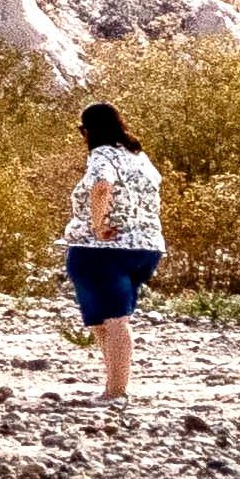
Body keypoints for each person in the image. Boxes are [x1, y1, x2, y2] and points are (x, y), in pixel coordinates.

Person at [61, 100, 167, 403]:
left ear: (88, 130)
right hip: (146, 247)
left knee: (114, 318)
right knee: (104, 317)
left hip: (103, 248)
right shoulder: (140, 158)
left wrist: (97, 225)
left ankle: (116, 390)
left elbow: (101, 187)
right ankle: (112, 383)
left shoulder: (101, 155)